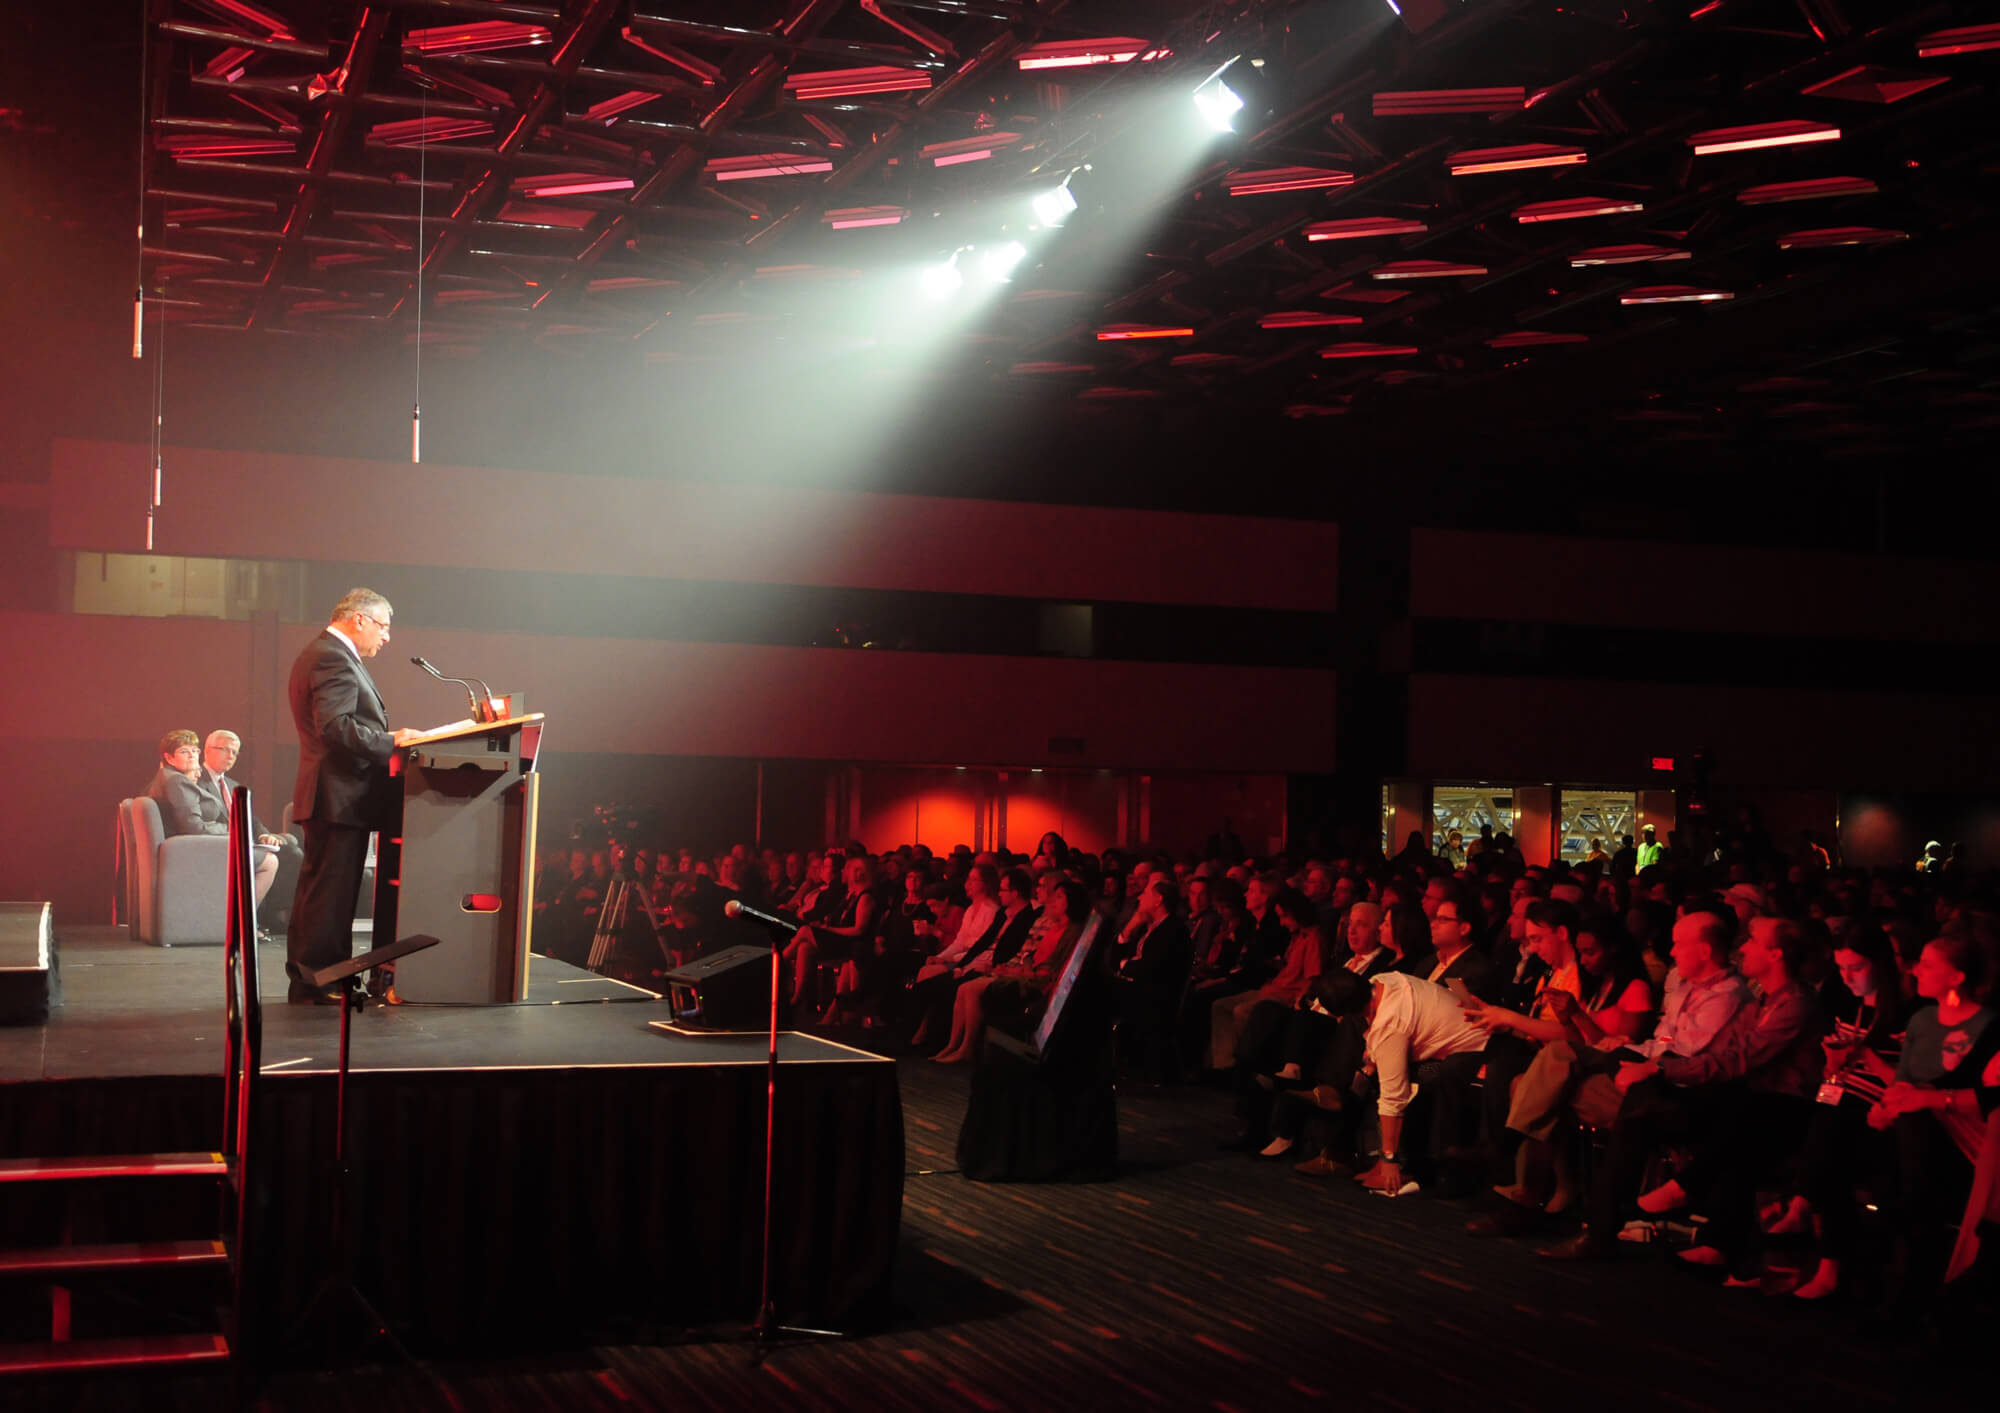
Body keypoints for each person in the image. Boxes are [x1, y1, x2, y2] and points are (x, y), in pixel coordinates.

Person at [285, 589, 421, 1005]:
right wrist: (390, 742)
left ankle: (317, 979)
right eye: (383, 626)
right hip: (337, 796)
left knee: (325, 893)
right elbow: (336, 727)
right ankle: (319, 981)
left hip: (336, 796)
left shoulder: (326, 653)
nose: (387, 637)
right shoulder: (331, 657)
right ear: (358, 620)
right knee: (329, 896)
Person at [197, 729, 293, 923]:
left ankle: (278, 916)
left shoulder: (233, 785)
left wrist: (263, 835)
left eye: (234, 752)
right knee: (275, 858)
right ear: (207, 751)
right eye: (225, 750)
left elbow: (252, 819)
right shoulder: (195, 780)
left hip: (245, 842)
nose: (230, 756)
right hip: (219, 844)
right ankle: (245, 922)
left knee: (292, 849)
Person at [145, 729, 224, 839]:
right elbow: (194, 828)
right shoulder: (176, 781)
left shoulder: (166, 776)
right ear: (169, 758)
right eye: (184, 751)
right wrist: (230, 829)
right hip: (192, 847)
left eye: (195, 750)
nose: (192, 755)